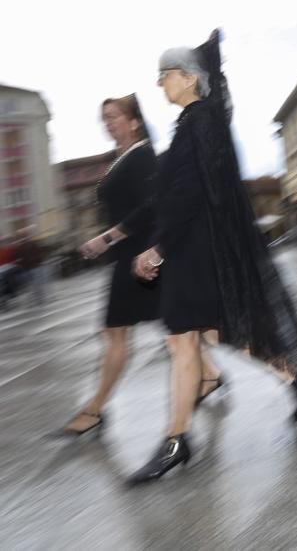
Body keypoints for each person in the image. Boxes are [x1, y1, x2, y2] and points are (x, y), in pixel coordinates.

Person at [127, 30, 297, 485]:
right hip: (195, 250)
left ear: (189, 78)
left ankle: (176, 442)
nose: (160, 84)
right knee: (210, 331)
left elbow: (191, 194)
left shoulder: (199, 122)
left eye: (164, 75)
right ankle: (294, 378)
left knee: (183, 342)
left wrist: (158, 247)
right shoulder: (195, 122)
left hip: (192, 252)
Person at [52, 96, 178, 436]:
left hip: (140, 256)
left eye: (114, 116)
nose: (108, 123)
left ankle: (94, 410)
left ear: (134, 121)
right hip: (130, 257)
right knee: (185, 331)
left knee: (124, 333)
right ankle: (211, 375)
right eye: (103, 118)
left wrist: (106, 239)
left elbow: (151, 207)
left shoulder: (141, 155)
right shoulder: (121, 157)